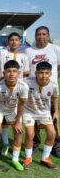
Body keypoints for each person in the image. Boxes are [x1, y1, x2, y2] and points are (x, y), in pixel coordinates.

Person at [25, 26, 60, 157]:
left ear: (48, 35)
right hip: (32, 91)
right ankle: (34, 145)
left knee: (54, 121)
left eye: (44, 34)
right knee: (33, 121)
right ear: (35, 36)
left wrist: (51, 82)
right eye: (39, 34)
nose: (41, 36)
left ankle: (56, 146)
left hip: (50, 91)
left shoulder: (55, 49)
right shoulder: (28, 51)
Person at [0, 60, 29, 171]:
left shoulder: (24, 86)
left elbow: (21, 105)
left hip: (13, 109)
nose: (11, 74)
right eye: (8, 71)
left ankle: (15, 159)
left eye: (14, 71)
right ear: (4, 73)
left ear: (19, 73)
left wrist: (18, 122)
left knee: (18, 131)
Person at [0, 32, 30, 156]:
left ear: (20, 42)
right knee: (3, 122)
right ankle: (5, 143)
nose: (14, 42)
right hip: (3, 89)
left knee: (15, 123)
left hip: (17, 92)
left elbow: (26, 75)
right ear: (8, 42)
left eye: (16, 40)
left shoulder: (24, 56)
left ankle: (14, 147)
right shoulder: (2, 53)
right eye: (11, 40)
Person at [23, 62, 58, 169]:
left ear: (50, 74)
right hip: (28, 111)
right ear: (36, 73)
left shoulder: (54, 85)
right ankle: (28, 158)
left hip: (44, 112)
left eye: (46, 73)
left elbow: (55, 98)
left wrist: (56, 112)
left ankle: (45, 158)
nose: (43, 75)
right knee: (30, 134)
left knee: (52, 133)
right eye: (41, 73)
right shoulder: (27, 82)